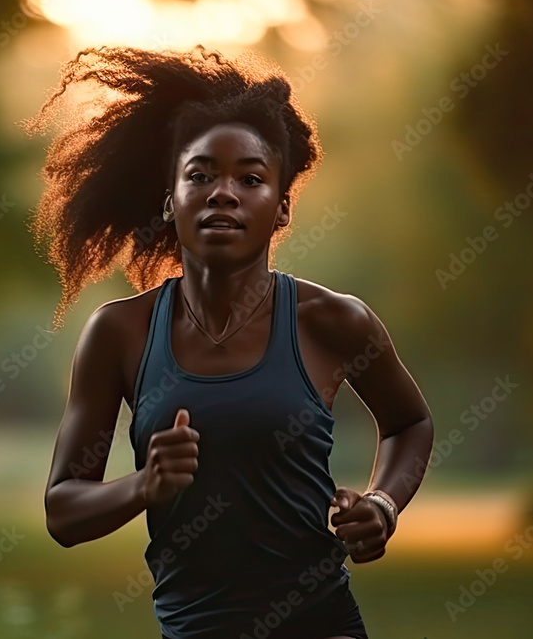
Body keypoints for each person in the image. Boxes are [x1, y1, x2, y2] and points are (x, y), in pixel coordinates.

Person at [30, 46, 435, 638]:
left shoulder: (331, 322)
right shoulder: (120, 333)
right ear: (170, 201)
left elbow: (409, 423)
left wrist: (383, 503)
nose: (224, 192)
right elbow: (63, 509)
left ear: (281, 208)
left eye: (250, 178)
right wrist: (144, 484)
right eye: (200, 175)